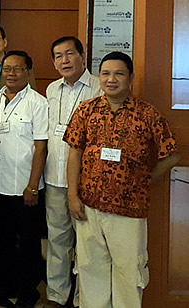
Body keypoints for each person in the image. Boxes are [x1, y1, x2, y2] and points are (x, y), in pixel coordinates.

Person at [64, 51, 180, 308]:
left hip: (129, 209)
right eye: (105, 73)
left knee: (129, 271)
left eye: (118, 73)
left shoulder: (147, 114)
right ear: (99, 77)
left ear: (131, 78)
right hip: (88, 205)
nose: (111, 79)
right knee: (90, 267)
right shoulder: (87, 111)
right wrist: (72, 196)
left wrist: (144, 180)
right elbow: (74, 153)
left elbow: (171, 155)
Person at [0, 50, 47, 308]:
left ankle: (27, 292)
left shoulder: (38, 103)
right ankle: (2, 288)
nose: (11, 73)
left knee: (28, 243)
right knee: (0, 241)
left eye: (17, 69)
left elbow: (41, 148)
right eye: (7, 69)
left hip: (24, 187)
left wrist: (33, 186)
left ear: (28, 72)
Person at [43, 36, 102, 308]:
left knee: (88, 245)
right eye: (58, 56)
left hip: (87, 182)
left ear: (82, 55)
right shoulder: (51, 89)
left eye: (69, 54)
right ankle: (56, 295)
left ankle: (83, 299)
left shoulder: (98, 89)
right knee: (57, 241)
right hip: (54, 177)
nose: (64, 60)